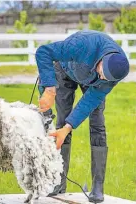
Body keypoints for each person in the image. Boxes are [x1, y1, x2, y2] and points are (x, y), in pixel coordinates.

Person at [35, 30, 129, 203]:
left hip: (91, 83)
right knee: (61, 121)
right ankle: (58, 183)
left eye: (106, 78)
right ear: (102, 60)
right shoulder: (81, 45)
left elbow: (90, 101)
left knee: (97, 124)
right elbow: (44, 52)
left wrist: (69, 127)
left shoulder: (114, 73)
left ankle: (98, 187)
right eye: (102, 72)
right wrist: (49, 88)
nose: (103, 77)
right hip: (65, 70)